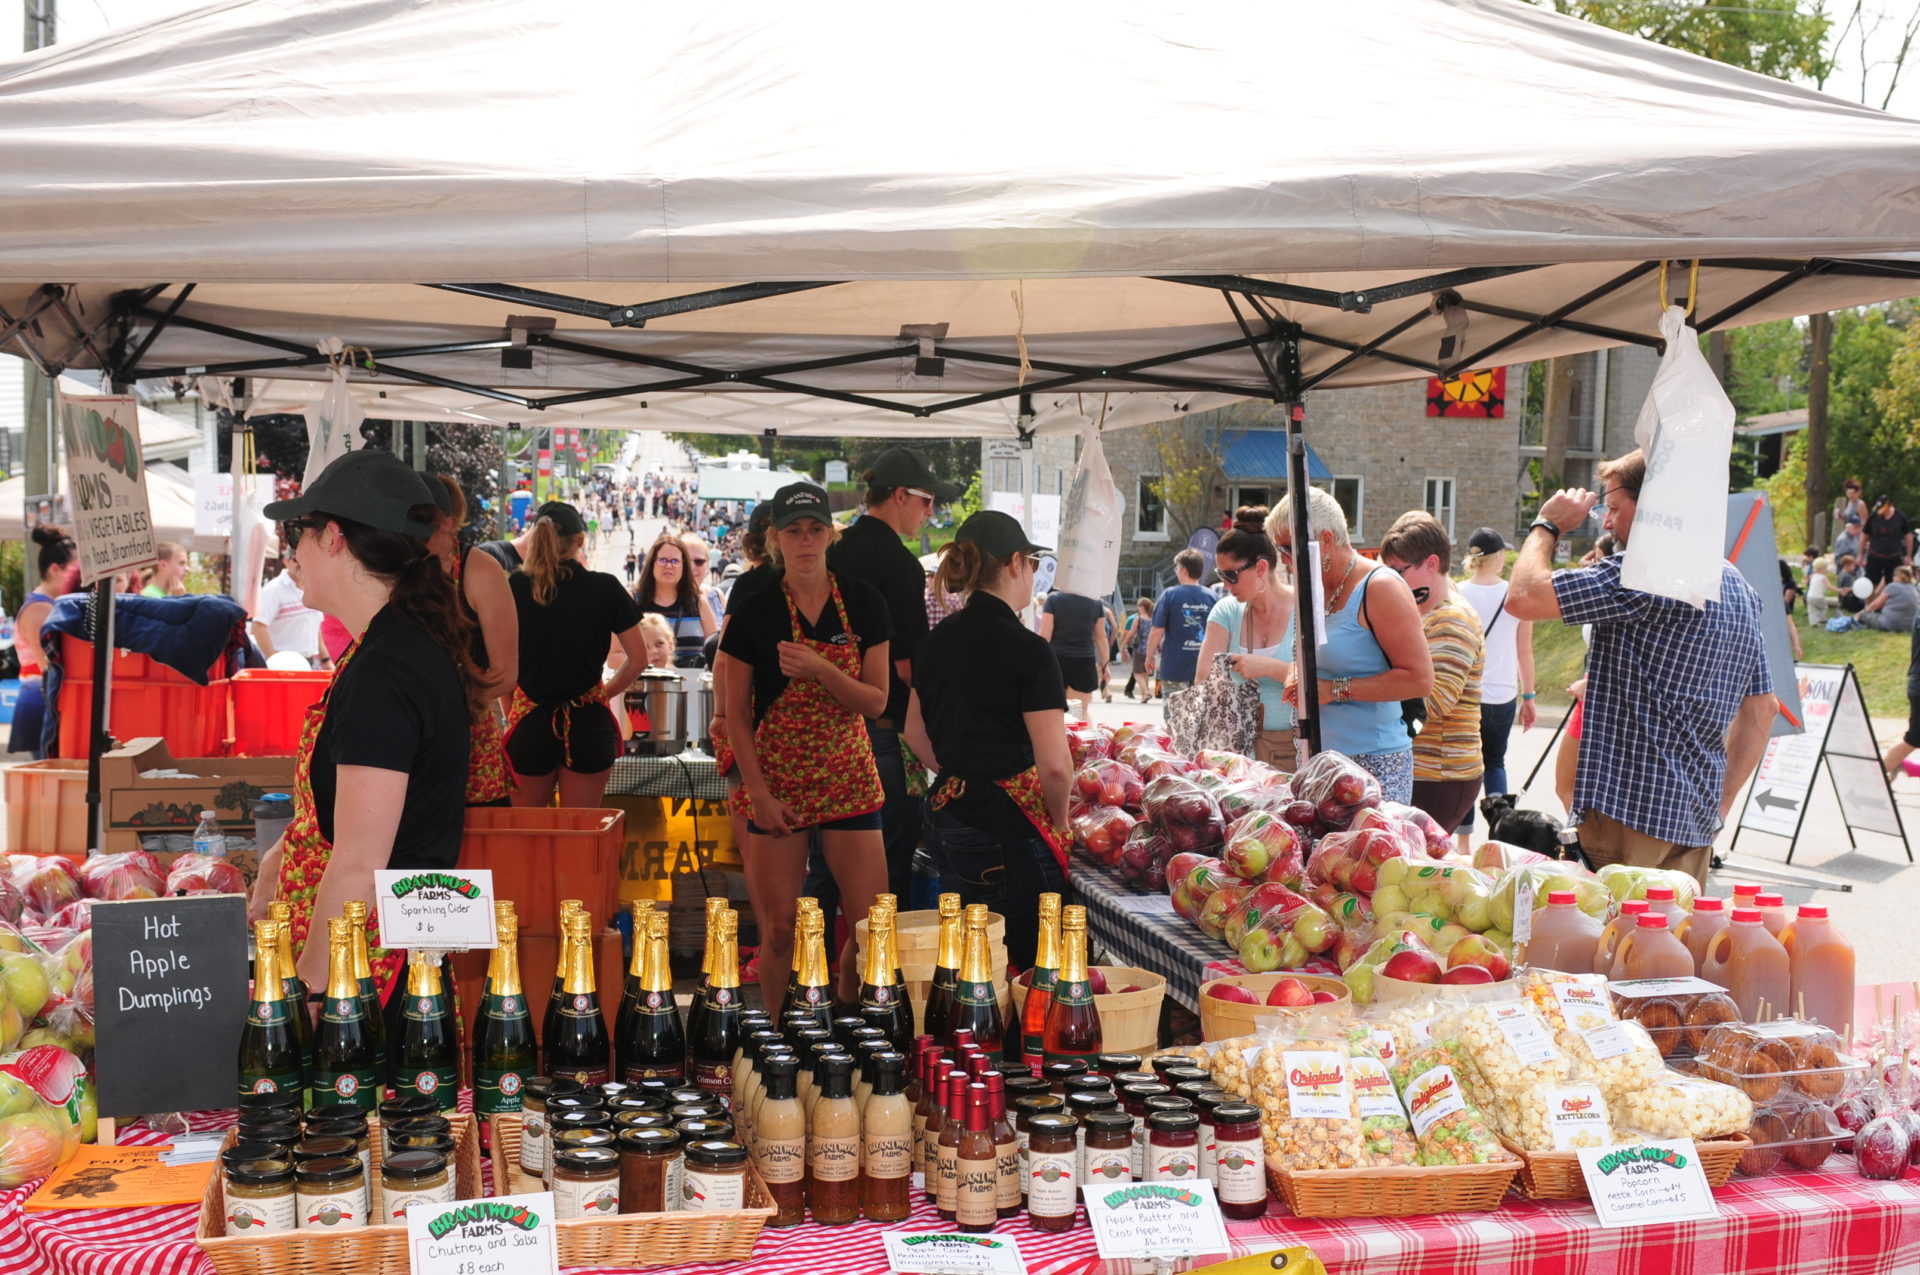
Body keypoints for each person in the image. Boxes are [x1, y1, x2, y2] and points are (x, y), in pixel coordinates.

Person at [250, 450, 482, 994]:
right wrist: (274, 863)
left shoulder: (386, 669)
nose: (292, 553)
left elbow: (358, 862)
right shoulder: (387, 646)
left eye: (296, 533)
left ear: (332, 537)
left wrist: (309, 993)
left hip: (371, 966)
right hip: (387, 946)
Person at [1508, 449, 1776, 885]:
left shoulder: (1647, 571)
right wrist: (1721, 806)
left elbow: (1523, 596)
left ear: (1652, 507)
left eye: (1614, 508)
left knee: (1610, 946)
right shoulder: (1738, 587)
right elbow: (1763, 708)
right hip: (1692, 825)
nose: (1607, 522)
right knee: (1665, 947)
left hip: (1628, 817)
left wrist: (1547, 525)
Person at [717, 481, 892, 1002]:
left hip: (848, 779)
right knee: (777, 932)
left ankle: (850, 1006)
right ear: (775, 538)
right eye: (793, 531)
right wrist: (760, 796)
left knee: (870, 932)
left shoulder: (863, 602)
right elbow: (737, 720)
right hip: (775, 781)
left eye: (816, 529)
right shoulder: (754, 608)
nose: (805, 540)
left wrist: (820, 670)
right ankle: (777, 1048)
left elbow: (877, 702)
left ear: (830, 535)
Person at [906, 511, 1070, 970]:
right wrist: (1059, 819)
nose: (1034, 574)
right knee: (1026, 963)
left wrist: (963, 770)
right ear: (1016, 562)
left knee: (967, 959)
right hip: (1008, 826)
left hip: (948, 814)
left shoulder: (935, 641)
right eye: (1034, 563)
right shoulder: (1029, 650)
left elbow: (914, 733)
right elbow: (1055, 766)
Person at [823, 447, 959, 906]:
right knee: (886, 879)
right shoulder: (899, 563)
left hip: (824, 730)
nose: (931, 512)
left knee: (824, 875)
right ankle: (876, 978)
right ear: (900, 495)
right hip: (881, 737)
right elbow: (908, 665)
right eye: (927, 501)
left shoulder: (833, 550)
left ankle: (809, 977)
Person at [1268, 489, 1433, 802]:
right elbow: (1315, 659)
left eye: (1289, 549)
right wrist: (1296, 675)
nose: (1286, 561)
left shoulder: (1380, 587)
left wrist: (1335, 690)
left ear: (1326, 540)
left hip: (1372, 764)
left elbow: (1420, 679)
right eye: (1280, 550)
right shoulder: (1313, 586)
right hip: (1319, 760)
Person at [504, 503, 646, 809]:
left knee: (527, 835)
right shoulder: (605, 588)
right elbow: (638, 658)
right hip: (587, 721)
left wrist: (512, 708)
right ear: (580, 540)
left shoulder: (514, 586)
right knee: (580, 835)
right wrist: (604, 693)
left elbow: (497, 660)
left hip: (531, 720)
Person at [1380, 512, 1486, 837]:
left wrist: (1361, 689)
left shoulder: (1451, 619)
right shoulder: (1427, 610)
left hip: (1442, 771)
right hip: (1430, 768)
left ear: (1431, 563)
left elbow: (1434, 701)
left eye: (1399, 571)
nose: (1393, 580)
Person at [427, 475, 519, 807]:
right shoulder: (399, 569)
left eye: (423, 525)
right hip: (411, 744)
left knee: (478, 852)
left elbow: (505, 674)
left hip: (467, 739)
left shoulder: (479, 570)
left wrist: (443, 706)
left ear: (448, 524)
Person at [1194, 507, 1297, 765]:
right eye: (1221, 575)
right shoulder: (1227, 611)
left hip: (1291, 749)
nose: (1226, 585)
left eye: (1231, 575)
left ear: (1261, 567)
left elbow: (1321, 684)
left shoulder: (1306, 610)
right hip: (1234, 754)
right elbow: (1202, 680)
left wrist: (1268, 667)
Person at [1455, 527, 1536, 823]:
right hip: (1503, 694)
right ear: (1499, 556)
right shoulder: (1514, 595)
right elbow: (1524, 651)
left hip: (1465, 694)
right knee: (1494, 763)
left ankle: (1462, 844)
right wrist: (1529, 696)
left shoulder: (1457, 593)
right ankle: (1500, 832)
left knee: (1465, 767)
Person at [8, 526, 76, 759]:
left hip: (46, 701)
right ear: (55, 569)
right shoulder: (40, 608)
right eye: (75, 569)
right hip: (42, 703)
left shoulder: (47, 604)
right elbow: (48, 666)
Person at [635, 533, 718, 667]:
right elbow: (615, 654)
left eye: (675, 561)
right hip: (643, 684)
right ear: (652, 563)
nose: (668, 566)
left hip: (690, 685)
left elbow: (715, 651)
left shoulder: (698, 602)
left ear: (684, 566)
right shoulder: (633, 601)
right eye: (663, 560)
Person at [1146, 550, 1216, 696]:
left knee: (1175, 716)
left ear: (1184, 571)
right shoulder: (1212, 597)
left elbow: (1157, 630)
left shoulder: (1169, 595)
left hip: (1175, 668)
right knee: (1201, 717)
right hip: (1205, 669)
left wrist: (1149, 656)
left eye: (1176, 568)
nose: (1176, 571)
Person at [1040, 589, 1108, 719]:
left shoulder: (1053, 599)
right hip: (1084, 661)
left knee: (1056, 714)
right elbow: (1101, 636)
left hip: (1056, 660)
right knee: (1080, 713)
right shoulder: (1095, 602)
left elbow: (1045, 635)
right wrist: (1105, 665)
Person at [251, 554, 326, 669]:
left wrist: (326, 660)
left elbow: (315, 628)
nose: (301, 564)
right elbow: (258, 627)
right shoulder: (274, 589)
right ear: (286, 561)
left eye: (306, 559)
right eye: (296, 560)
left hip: (311, 663)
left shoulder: (313, 587)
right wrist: (275, 661)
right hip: (285, 666)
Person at [1864, 492, 1914, 587]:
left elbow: (1908, 536)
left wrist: (1909, 555)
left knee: (1894, 583)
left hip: (1893, 557)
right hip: (1875, 556)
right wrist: (1861, 554)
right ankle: (1871, 601)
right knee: (1871, 583)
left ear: (1890, 505)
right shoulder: (1873, 517)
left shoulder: (1900, 517)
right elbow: (1865, 534)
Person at [1860, 564, 1919, 631]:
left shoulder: (1892, 586)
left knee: (1864, 616)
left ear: (1897, 577)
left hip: (1889, 624)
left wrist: (1862, 612)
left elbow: (1876, 605)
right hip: (1909, 626)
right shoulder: (1914, 589)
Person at [686, 536, 727, 620]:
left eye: (699, 562)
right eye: (686, 561)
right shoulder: (665, 599)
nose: (692, 567)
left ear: (707, 565)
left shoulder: (717, 595)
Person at [1122, 597, 1152, 700]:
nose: (1137, 608)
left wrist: (1123, 645)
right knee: (1144, 672)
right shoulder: (1152, 618)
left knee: (1137, 673)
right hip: (1149, 649)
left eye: (1138, 606)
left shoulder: (1138, 618)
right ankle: (1144, 695)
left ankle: (1146, 692)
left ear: (1142, 607)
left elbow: (1131, 633)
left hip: (1139, 648)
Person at [1806, 555, 1837, 626]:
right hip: (1819, 597)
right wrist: (1838, 590)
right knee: (1823, 607)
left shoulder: (1812, 576)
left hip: (1809, 596)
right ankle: (1822, 620)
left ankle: (1813, 622)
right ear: (1822, 569)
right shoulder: (1823, 577)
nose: (1827, 569)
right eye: (1826, 568)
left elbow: (1809, 579)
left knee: (1812, 609)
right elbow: (1829, 586)